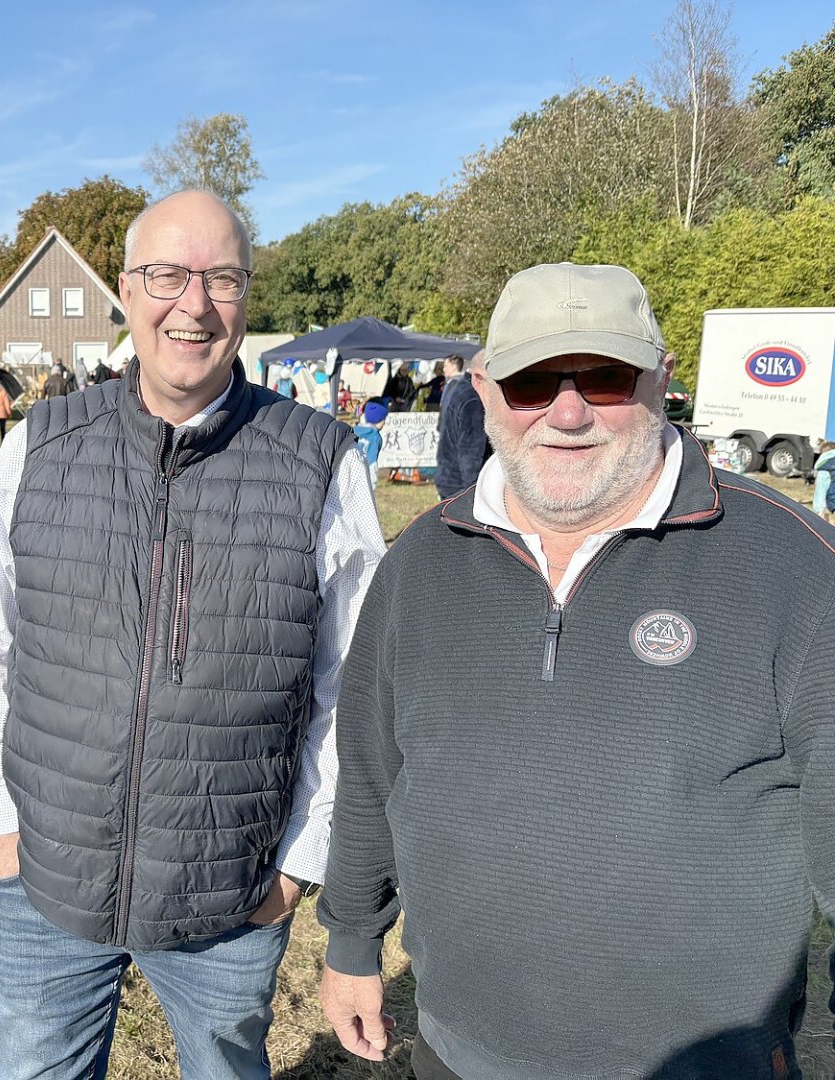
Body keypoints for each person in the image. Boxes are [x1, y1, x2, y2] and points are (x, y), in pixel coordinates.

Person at [318, 261, 835, 1080]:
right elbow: (373, 775)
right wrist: (351, 941)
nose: (566, 412)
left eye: (603, 376)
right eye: (531, 382)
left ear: (661, 381)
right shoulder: (419, 565)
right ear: (483, 390)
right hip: (459, 1053)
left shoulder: (796, 568)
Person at [0, 190, 386, 1080]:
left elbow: (357, 685)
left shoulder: (319, 460)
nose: (193, 303)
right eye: (167, 276)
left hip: (229, 892)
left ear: (247, 297)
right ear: (125, 290)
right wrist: (1, 822)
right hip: (45, 879)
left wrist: (296, 863)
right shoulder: (43, 443)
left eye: (220, 278)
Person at [433, 351, 488, 499]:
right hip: (459, 484)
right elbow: (470, 450)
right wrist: (473, 494)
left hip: (449, 476)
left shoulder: (460, 388)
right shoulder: (473, 399)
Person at [352, 400, 387, 490]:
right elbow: (372, 462)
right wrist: (372, 485)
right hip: (364, 474)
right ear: (377, 420)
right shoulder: (375, 437)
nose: (384, 423)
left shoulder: (354, 430)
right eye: (383, 420)